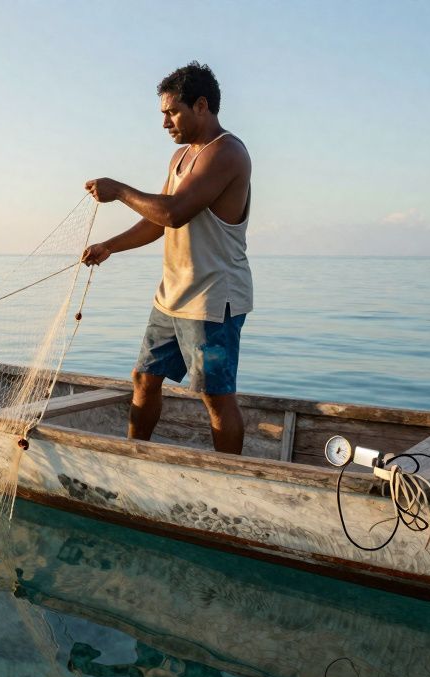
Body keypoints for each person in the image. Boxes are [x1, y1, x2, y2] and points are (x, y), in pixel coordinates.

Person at [81, 61, 252, 455]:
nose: (165, 123)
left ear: (202, 106)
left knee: (215, 397)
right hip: (172, 296)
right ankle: (134, 457)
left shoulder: (226, 153)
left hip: (212, 301)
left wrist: (120, 190)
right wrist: (110, 246)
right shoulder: (180, 158)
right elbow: (159, 222)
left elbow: (174, 211)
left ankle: (228, 479)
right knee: (144, 378)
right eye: (163, 114)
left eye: (172, 112)